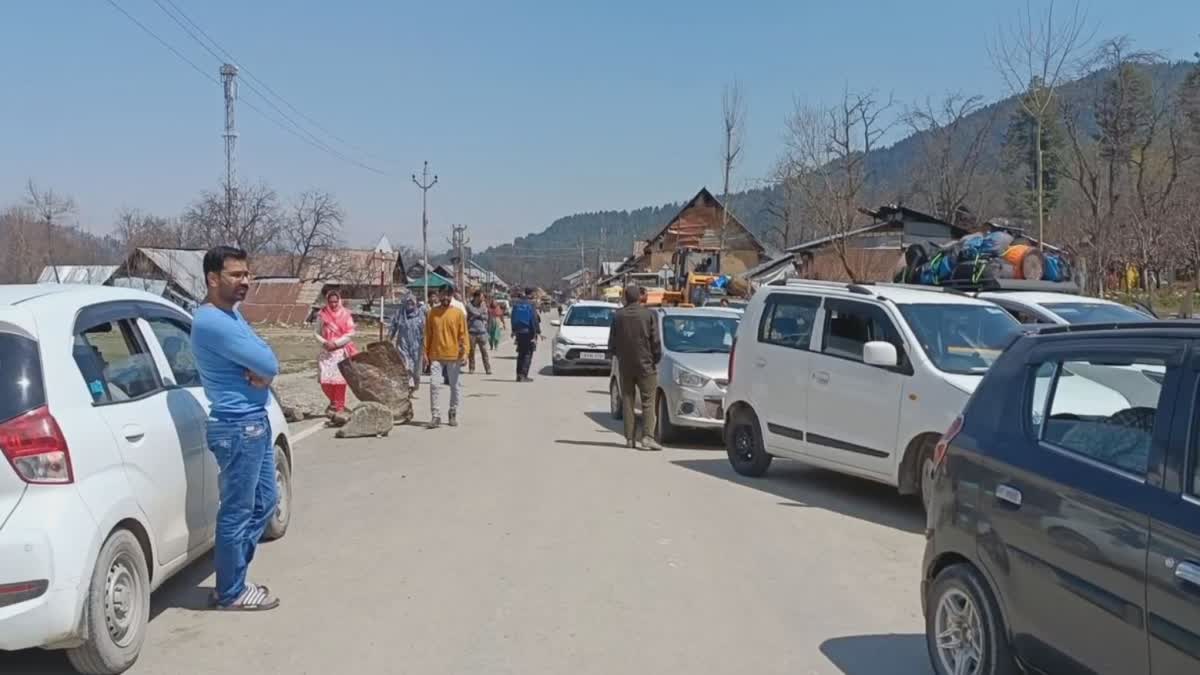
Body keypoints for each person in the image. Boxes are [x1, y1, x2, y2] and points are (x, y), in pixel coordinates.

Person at [191, 246, 281, 610]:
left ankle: (235, 578)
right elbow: (269, 361)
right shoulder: (212, 321)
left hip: (252, 423)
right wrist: (262, 369)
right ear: (213, 279)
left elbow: (263, 354)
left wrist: (262, 367)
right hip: (237, 426)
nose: (246, 281)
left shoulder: (232, 315)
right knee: (237, 511)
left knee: (266, 501)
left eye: (247, 274)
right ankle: (230, 591)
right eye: (236, 275)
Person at [608, 284, 663, 451]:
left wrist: (619, 356)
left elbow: (612, 342)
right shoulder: (648, 314)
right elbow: (655, 341)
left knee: (627, 400)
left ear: (625, 297)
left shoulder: (618, 316)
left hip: (626, 365)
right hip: (645, 364)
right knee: (648, 401)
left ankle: (629, 439)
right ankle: (647, 437)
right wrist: (656, 358)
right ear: (639, 297)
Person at [423, 286, 468, 428]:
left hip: (454, 355)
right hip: (436, 355)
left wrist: (465, 353)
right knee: (434, 385)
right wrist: (425, 353)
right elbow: (427, 335)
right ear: (439, 295)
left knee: (454, 386)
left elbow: (463, 335)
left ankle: (452, 411)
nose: (446, 298)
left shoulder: (458, 313)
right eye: (443, 295)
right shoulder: (432, 313)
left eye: (449, 295)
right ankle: (435, 416)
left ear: (452, 296)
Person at [314, 290, 357, 415]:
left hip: (340, 351)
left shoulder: (346, 315)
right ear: (327, 301)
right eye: (330, 302)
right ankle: (333, 401)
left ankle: (339, 406)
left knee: (339, 381)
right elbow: (316, 332)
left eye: (335, 301)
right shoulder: (322, 314)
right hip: (326, 351)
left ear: (339, 301)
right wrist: (325, 342)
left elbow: (350, 333)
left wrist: (336, 343)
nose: (333, 304)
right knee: (325, 380)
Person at [389, 294, 426, 394]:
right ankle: (406, 388)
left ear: (415, 303)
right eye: (408, 302)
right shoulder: (400, 314)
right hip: (403, 346)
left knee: (416, 371)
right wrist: (388, 340)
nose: (410, 304)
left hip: (417, 347)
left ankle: (416, 385)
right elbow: (393, 328)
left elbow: (425, 333)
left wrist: (425, 350)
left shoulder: (420, 315)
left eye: (412, 302)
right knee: (405, 367)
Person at [510, 287, 541, 382]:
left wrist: (514, 330)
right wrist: (538, 331)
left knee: (520, 353)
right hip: (528, 332)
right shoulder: (531, 304)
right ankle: (524, 375)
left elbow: (512, 317)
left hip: (519, 331)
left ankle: (518, 375)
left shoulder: (517, 303)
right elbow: (534, 319)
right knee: (528, 354)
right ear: (531, 294)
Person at [466, 290, 492, 375]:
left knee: (484, 351)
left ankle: (488, 368)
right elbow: (472, 312)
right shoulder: (469, 305)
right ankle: (472, 368)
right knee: (471, 352)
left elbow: (486, 317)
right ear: (476, 297)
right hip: (471, 331)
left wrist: (478, 315)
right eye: (481, 296)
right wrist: (480, 315)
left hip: (482, 331)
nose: (483, 298)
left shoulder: (483, 305)